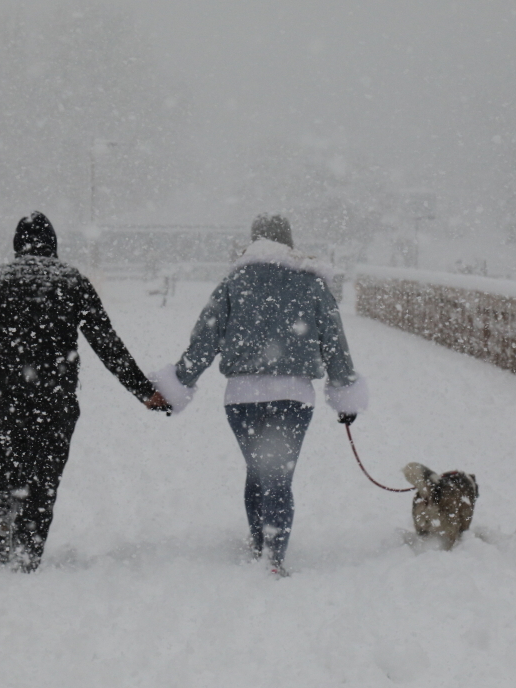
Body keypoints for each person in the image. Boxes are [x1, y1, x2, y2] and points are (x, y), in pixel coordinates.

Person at [150, 214, 368, 577]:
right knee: (278, 476)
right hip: (293, 395)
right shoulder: (312, 283)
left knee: (259, 469)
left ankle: (259, 542)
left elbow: (205, 338)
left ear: (253, 240)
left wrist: (180, 382)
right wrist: (344, 390)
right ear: (289, 242)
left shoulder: (234, 281)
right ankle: (273, 558)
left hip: (241, 397)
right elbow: (335, 342)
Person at [0, 211, 169, 572]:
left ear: (17, 244)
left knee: (6, 456)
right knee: (46, 468)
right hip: (54, 395)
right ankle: (30, 546)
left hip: (8, 392)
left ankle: (3, 520)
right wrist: (143, 391)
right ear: (52, 244)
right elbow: (107, 344)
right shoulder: (71, 281)